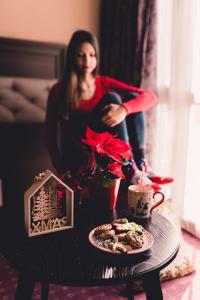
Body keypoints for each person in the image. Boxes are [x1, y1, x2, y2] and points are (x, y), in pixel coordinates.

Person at [45, 30, 173, 188]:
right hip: (79, 156)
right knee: (112, 98)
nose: (87, 60)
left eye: (92, 55)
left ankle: (139, 164)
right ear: (72, 57)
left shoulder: (103, 83)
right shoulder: (59, 90)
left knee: (132, 97)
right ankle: (129, 167)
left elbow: (150, 97)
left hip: (103, 152)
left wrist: (124, 110)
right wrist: (61, 169)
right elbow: (49, 136)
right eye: (81, 55)